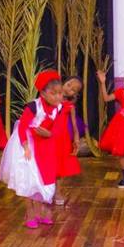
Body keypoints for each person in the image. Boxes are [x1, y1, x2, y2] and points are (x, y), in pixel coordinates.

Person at [0, 71, 64, 228]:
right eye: (53, 93)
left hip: (45, 145)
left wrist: (50, 134)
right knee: (30, 178)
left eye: (60, 93)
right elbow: (22, 127)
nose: (58, 97)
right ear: (43, 93)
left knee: (44, 178)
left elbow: (58, 128)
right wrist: (26, 147)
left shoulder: (59, 108)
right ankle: (30, 212)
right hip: (28, 144)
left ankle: (41, 211)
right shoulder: (34, 106)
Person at [53, 76, 83, 206]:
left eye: (73, 90)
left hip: (62, 139)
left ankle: (57, 192)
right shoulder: (51, 99)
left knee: (60, 167)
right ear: (63, 82)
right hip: (48, 137)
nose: (69, 89)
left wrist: (76, 138)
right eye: (69, 85)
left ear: (74, 95)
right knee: (47, 164)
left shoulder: (70, 106)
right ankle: (44, 191)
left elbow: (74, 125)